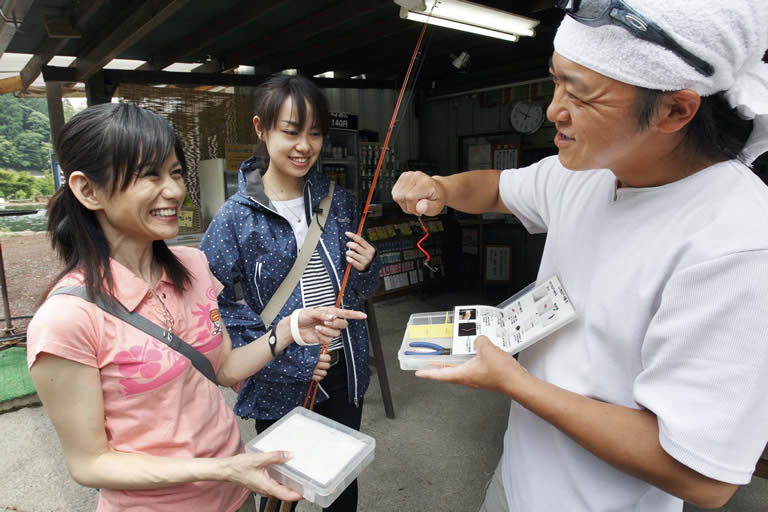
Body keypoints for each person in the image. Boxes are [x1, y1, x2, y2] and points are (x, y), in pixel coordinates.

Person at [392, 1, 768, 511]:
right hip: (516, 483)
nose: (553, 109)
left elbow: (703, 477)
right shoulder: (587, 170)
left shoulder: (736, 243)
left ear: (674, 110)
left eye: (581, 94)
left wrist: (516, 384)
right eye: (556, 81)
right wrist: (439, 187)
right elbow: (495, 189)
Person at [26, 102, 367, 512]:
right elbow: (90, 463)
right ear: (87, 189)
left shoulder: (192, 266)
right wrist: (217, 469)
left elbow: (224, 367)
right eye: (148, 175)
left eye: (174, 172)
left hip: (236, 490)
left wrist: (291, 328)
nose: (173, 190)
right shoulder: (67, 319)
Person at [200, 74, 380, 512]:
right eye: (291, 131)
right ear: (261, 129)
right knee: (282, 491)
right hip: (280, 379)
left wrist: (368, 267)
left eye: (315, 133)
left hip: (341, 370)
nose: (305, 145)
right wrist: (287, 350)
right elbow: (212, 303)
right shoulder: (235, 218)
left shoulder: (338, 201)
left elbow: (355, 292)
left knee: (341, 485)